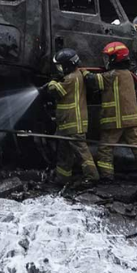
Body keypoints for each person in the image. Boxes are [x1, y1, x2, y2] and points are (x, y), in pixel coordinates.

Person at [86, 42, 137, 183]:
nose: (106, 61)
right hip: (132, 120)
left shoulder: (111, 75)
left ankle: (107, 177)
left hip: (114, 120)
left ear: (115, 59)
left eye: (108, 58)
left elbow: (93, 81)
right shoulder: (128, 74)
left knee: (105, 150)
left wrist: (84, 72)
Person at [41, 48, 99, 186]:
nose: (59, 69)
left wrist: (52, 83)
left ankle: (92, 177)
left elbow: (56, 91)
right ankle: (62, 178)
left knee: (82, 152)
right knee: (64, 154)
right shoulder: (76, 75)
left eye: (60, 66)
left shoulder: (71, 78)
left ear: (68, 65)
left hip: (74, 123)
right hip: (66, 124)